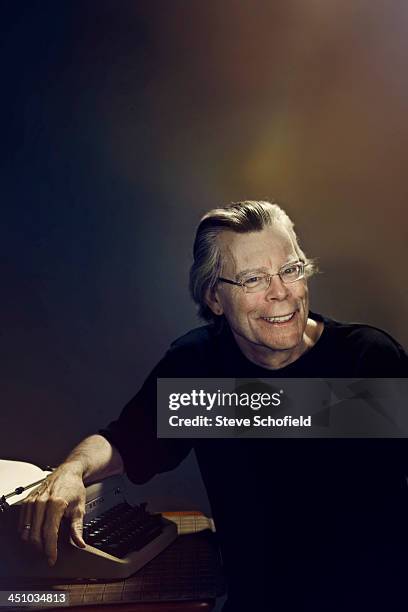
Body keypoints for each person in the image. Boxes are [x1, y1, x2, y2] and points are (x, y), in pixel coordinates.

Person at [19, 201, 408, 611]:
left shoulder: (368, 360)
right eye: (253, 279)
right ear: (215, 298)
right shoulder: (198, 366)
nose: (282, 292)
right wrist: (71, 470)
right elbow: (125, 442)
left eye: (291, 269)